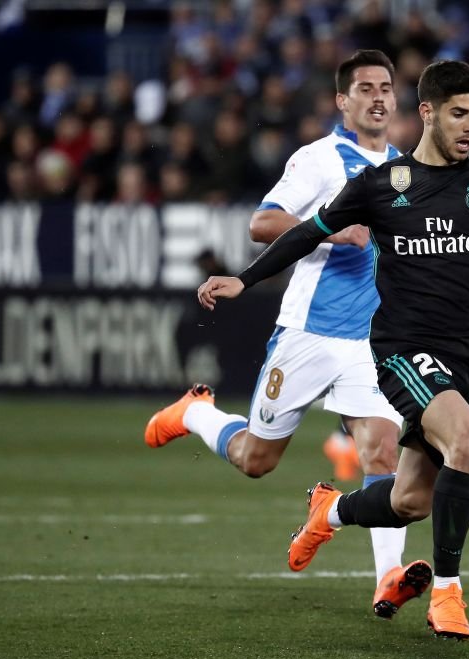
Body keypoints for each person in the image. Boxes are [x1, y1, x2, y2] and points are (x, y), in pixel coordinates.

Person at [196, 60, 469, 639]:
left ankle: (329, 511)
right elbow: (306, 232)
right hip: (405, 350)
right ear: (427, 112)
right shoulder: (382, 186)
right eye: (458, 113)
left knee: (408, 500)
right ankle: (447, 594)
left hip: (467, 356)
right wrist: (245, 280)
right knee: (468, 445)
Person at [144, 50, 431, 620]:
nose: (377, 97)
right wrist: (329, 226)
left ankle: (387, 579)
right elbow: (262, 222)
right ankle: (195, 412)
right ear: (342, 102)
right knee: (257, 459)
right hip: (307, 333)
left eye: (386, 88)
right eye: (365, 88)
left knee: (380, 451)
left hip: (368, 343)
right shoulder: (320, 159)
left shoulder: (406, 169)